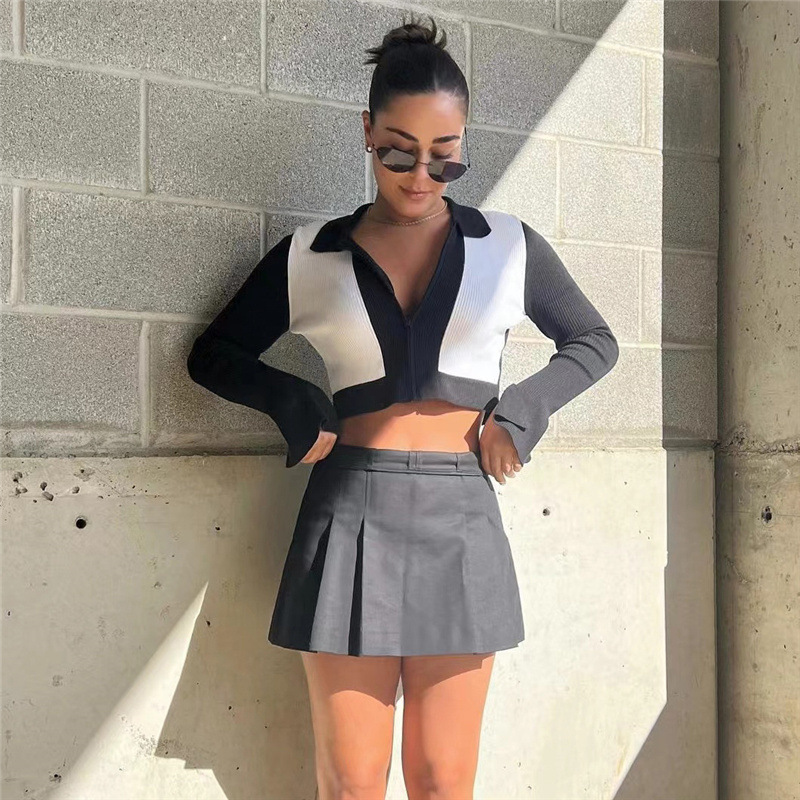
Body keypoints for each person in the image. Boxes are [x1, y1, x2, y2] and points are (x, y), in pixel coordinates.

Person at [186, 13, 619, 800]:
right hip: (349, 513)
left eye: (445, 156)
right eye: (398, 152)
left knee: (443, 782)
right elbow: (213, 355)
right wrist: (291, 398)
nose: (422, 175)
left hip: (462, 521)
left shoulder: (508, 245)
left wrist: (523, 411)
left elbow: (593, 340)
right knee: (352, 784)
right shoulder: (310, 254)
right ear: (366, 132)